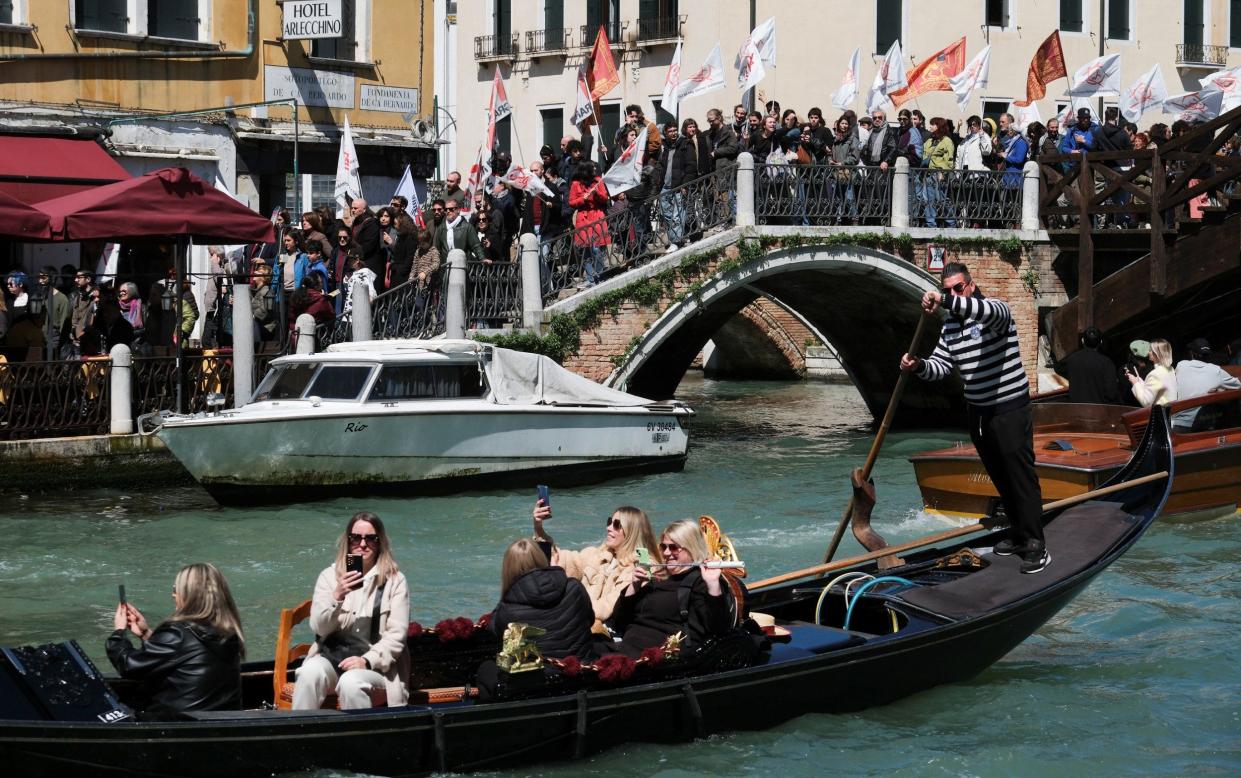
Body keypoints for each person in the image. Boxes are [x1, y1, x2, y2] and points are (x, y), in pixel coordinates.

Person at [900, 262, 1050, 574]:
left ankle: (1036, 543)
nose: (954, 293)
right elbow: (942, 366)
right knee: (999, 475)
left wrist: (944, 301)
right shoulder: (949, 327)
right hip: (979, 412)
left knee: (1019, 474)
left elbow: (989, 313)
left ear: (970, 285)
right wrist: (918, 366)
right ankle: (1017, 533)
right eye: (948, 290)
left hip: (1009, 407)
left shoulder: (995, 310)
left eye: (958, 288)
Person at [292, 512, 409, 710]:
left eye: (370, 538)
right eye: (356, 538)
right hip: (332, 659)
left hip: (376, 668)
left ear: (380, 542)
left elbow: (396, 637)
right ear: (348, 540)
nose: (362, 544)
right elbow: (320, 628)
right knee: (309, 672)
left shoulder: (395, 581)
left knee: (352, 682)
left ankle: (357, 739)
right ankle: (299, 735)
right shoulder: (329, 577)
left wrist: (366, 661)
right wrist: (336, 596)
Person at [106, 562, 245, 720]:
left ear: (190, 594)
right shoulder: (229, 632)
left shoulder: (178, 633)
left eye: (175, 589)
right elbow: (187, 654)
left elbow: (129, 665)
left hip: (176, 723)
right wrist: (145, 633)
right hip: (218, 721)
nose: (173, 594)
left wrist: (118, 633)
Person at [603, 519, 733, 659]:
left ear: (692, 547)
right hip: (624, 648)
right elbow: (618, 621)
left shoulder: (701, 581)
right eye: (663, 547)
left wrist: (713, 584)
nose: (666, 553)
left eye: (673, 548)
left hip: (654, 658)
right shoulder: (658, 579)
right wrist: (634, 585)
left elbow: (719, 630)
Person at [531, 501, 660, 627]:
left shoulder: (642, 567)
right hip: (580, 618)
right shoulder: (598, 554)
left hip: (607, 631)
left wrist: (567, 607)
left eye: (616, 524)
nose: (608, 528)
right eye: (610, 521)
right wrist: (538, 527)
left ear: (631, 532)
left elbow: (608, 607)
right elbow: (559, 558)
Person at [487, 539, 597, 660]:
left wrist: (505, 596)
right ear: (542, 558)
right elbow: (589, 620)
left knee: (486, 669)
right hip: (583, 667)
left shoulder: (507, 609)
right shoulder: (575, 587)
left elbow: (494, 633)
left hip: (540, 675)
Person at [1173, 338, 1241, 430]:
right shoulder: (1216, 370)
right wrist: (1220, 390)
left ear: (1191, 354)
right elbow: (1238, 384)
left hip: (1180, 426)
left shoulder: (1181, 365)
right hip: (1204, 424)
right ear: (1209, 355)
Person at [1055, 326, 1122, 405]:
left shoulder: (1072, 359)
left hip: (1075, 410)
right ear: (1100, 342)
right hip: (1098, 411)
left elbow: (1058, 368)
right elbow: (1111, 393)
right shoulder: (1107, 363)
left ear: (1083, 341)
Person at [1127, 338, 1177, 408]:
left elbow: (1145, 402)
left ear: (1156, 353)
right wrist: (1139, 382)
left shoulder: (1155, 374)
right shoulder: (1170, 369)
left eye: (1150, 350)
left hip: (1161, 415)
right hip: (1171, 410)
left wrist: (1135, 383)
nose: (1148, 352)